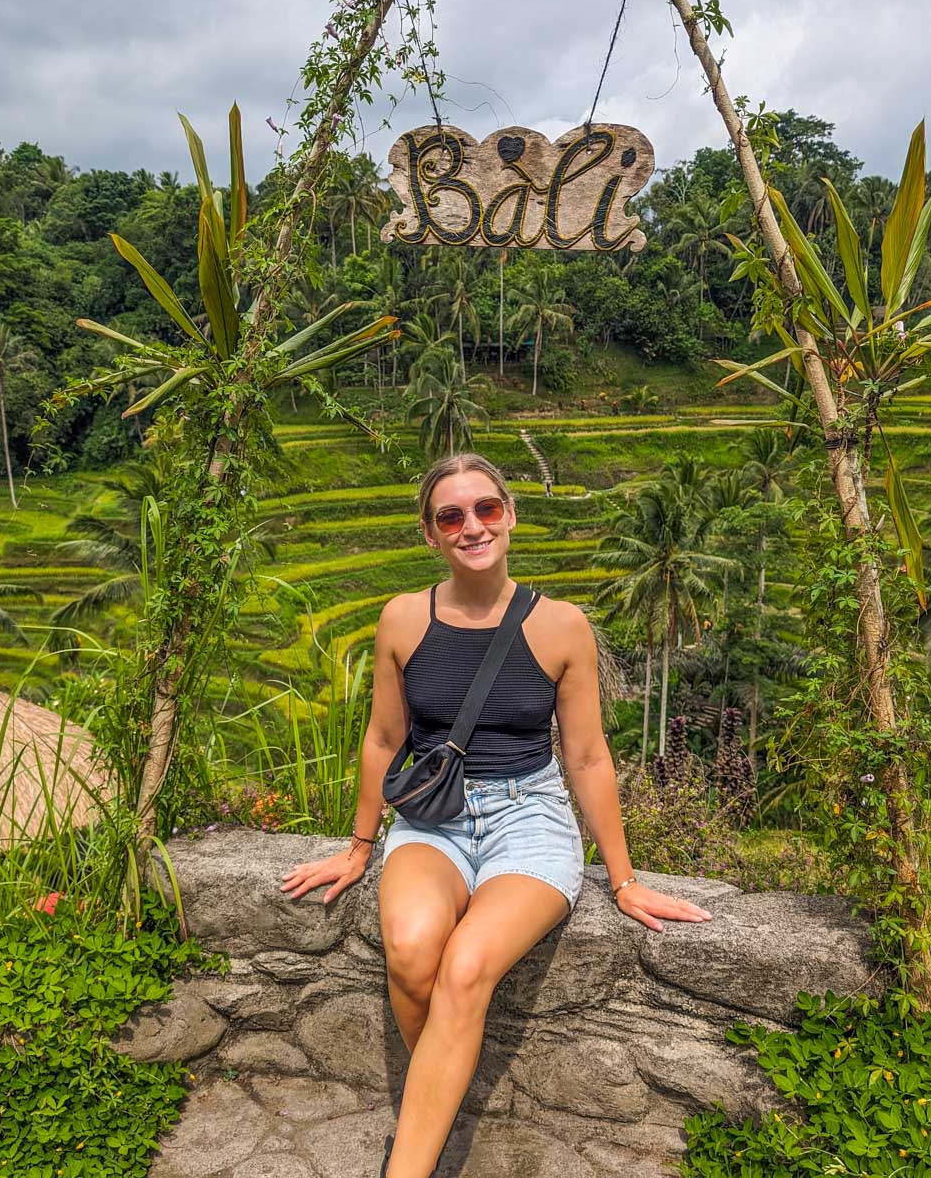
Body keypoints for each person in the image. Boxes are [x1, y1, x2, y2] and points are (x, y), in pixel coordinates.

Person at [279, 452, 714, 1178]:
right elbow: (383, 739)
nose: (472, 527)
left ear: (510, 514)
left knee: (465, 966)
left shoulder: (562, 626)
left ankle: (408, 1164)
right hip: (433, 821)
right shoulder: (403, 618)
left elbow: (587, 758)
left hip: (529, 818)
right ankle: (441, 1108)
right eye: (451, 516)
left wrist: (624, 878)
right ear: (430, 534)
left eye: (485, 509)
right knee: (411, 949)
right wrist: (358, 846)